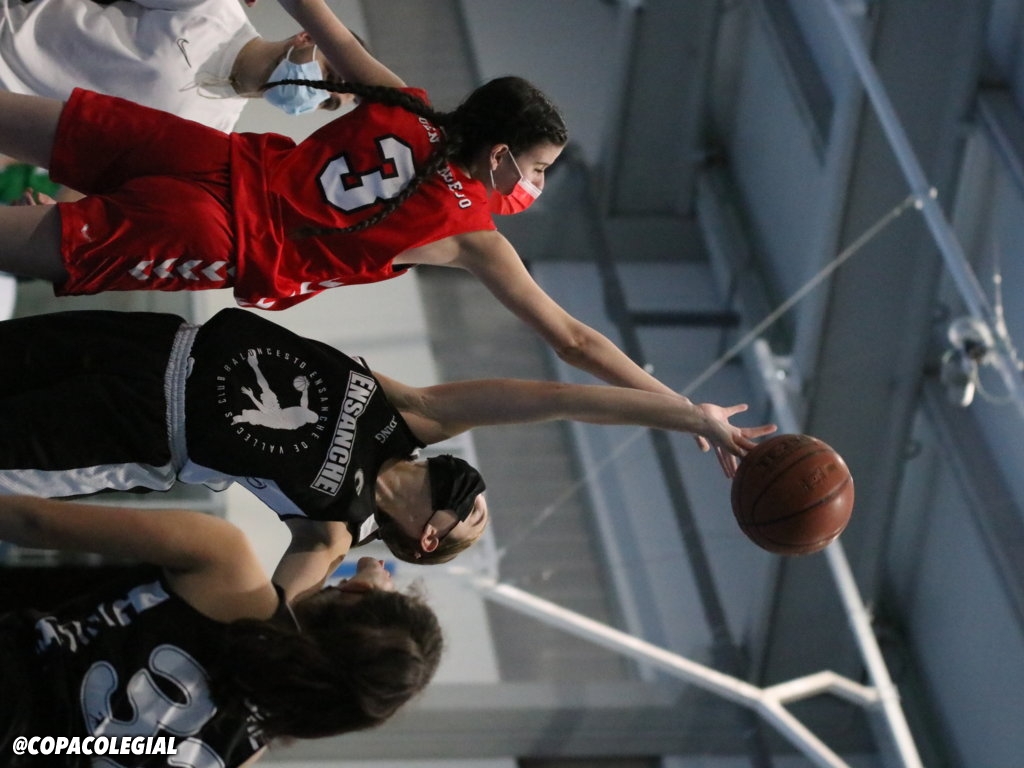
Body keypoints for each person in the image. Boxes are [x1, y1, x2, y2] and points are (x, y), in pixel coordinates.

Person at [0, 0, 735, 464]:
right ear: (501, 155)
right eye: (537, 169)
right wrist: (682, 410)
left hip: (201, 153)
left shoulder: (404, 103)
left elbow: (315, 16)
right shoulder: (474, 237)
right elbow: (575, 342)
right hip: (210, 235)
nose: (535, 187)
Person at [0, 308, 776, 600]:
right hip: (150, 341)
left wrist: (359, 606)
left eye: (474, 517)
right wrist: (688, 415)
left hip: (126, 429)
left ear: (426, 538)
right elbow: (558, 397)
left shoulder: (331, 529)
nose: (477, 495)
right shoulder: (412, 417)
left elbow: (270, 622)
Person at [0, 494, 444, 766]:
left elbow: (33, 522)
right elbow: (305, 579)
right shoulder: (241, 752)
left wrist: (366, 576)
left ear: (354, 594)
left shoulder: (226, 562)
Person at [0, 0, 352, 133]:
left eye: (329, 103)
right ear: (307, 36)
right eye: (330, 76)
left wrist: (58, 209)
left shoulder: (213, 132)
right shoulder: (214, 9)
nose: (321, 95)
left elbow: (102, 161)